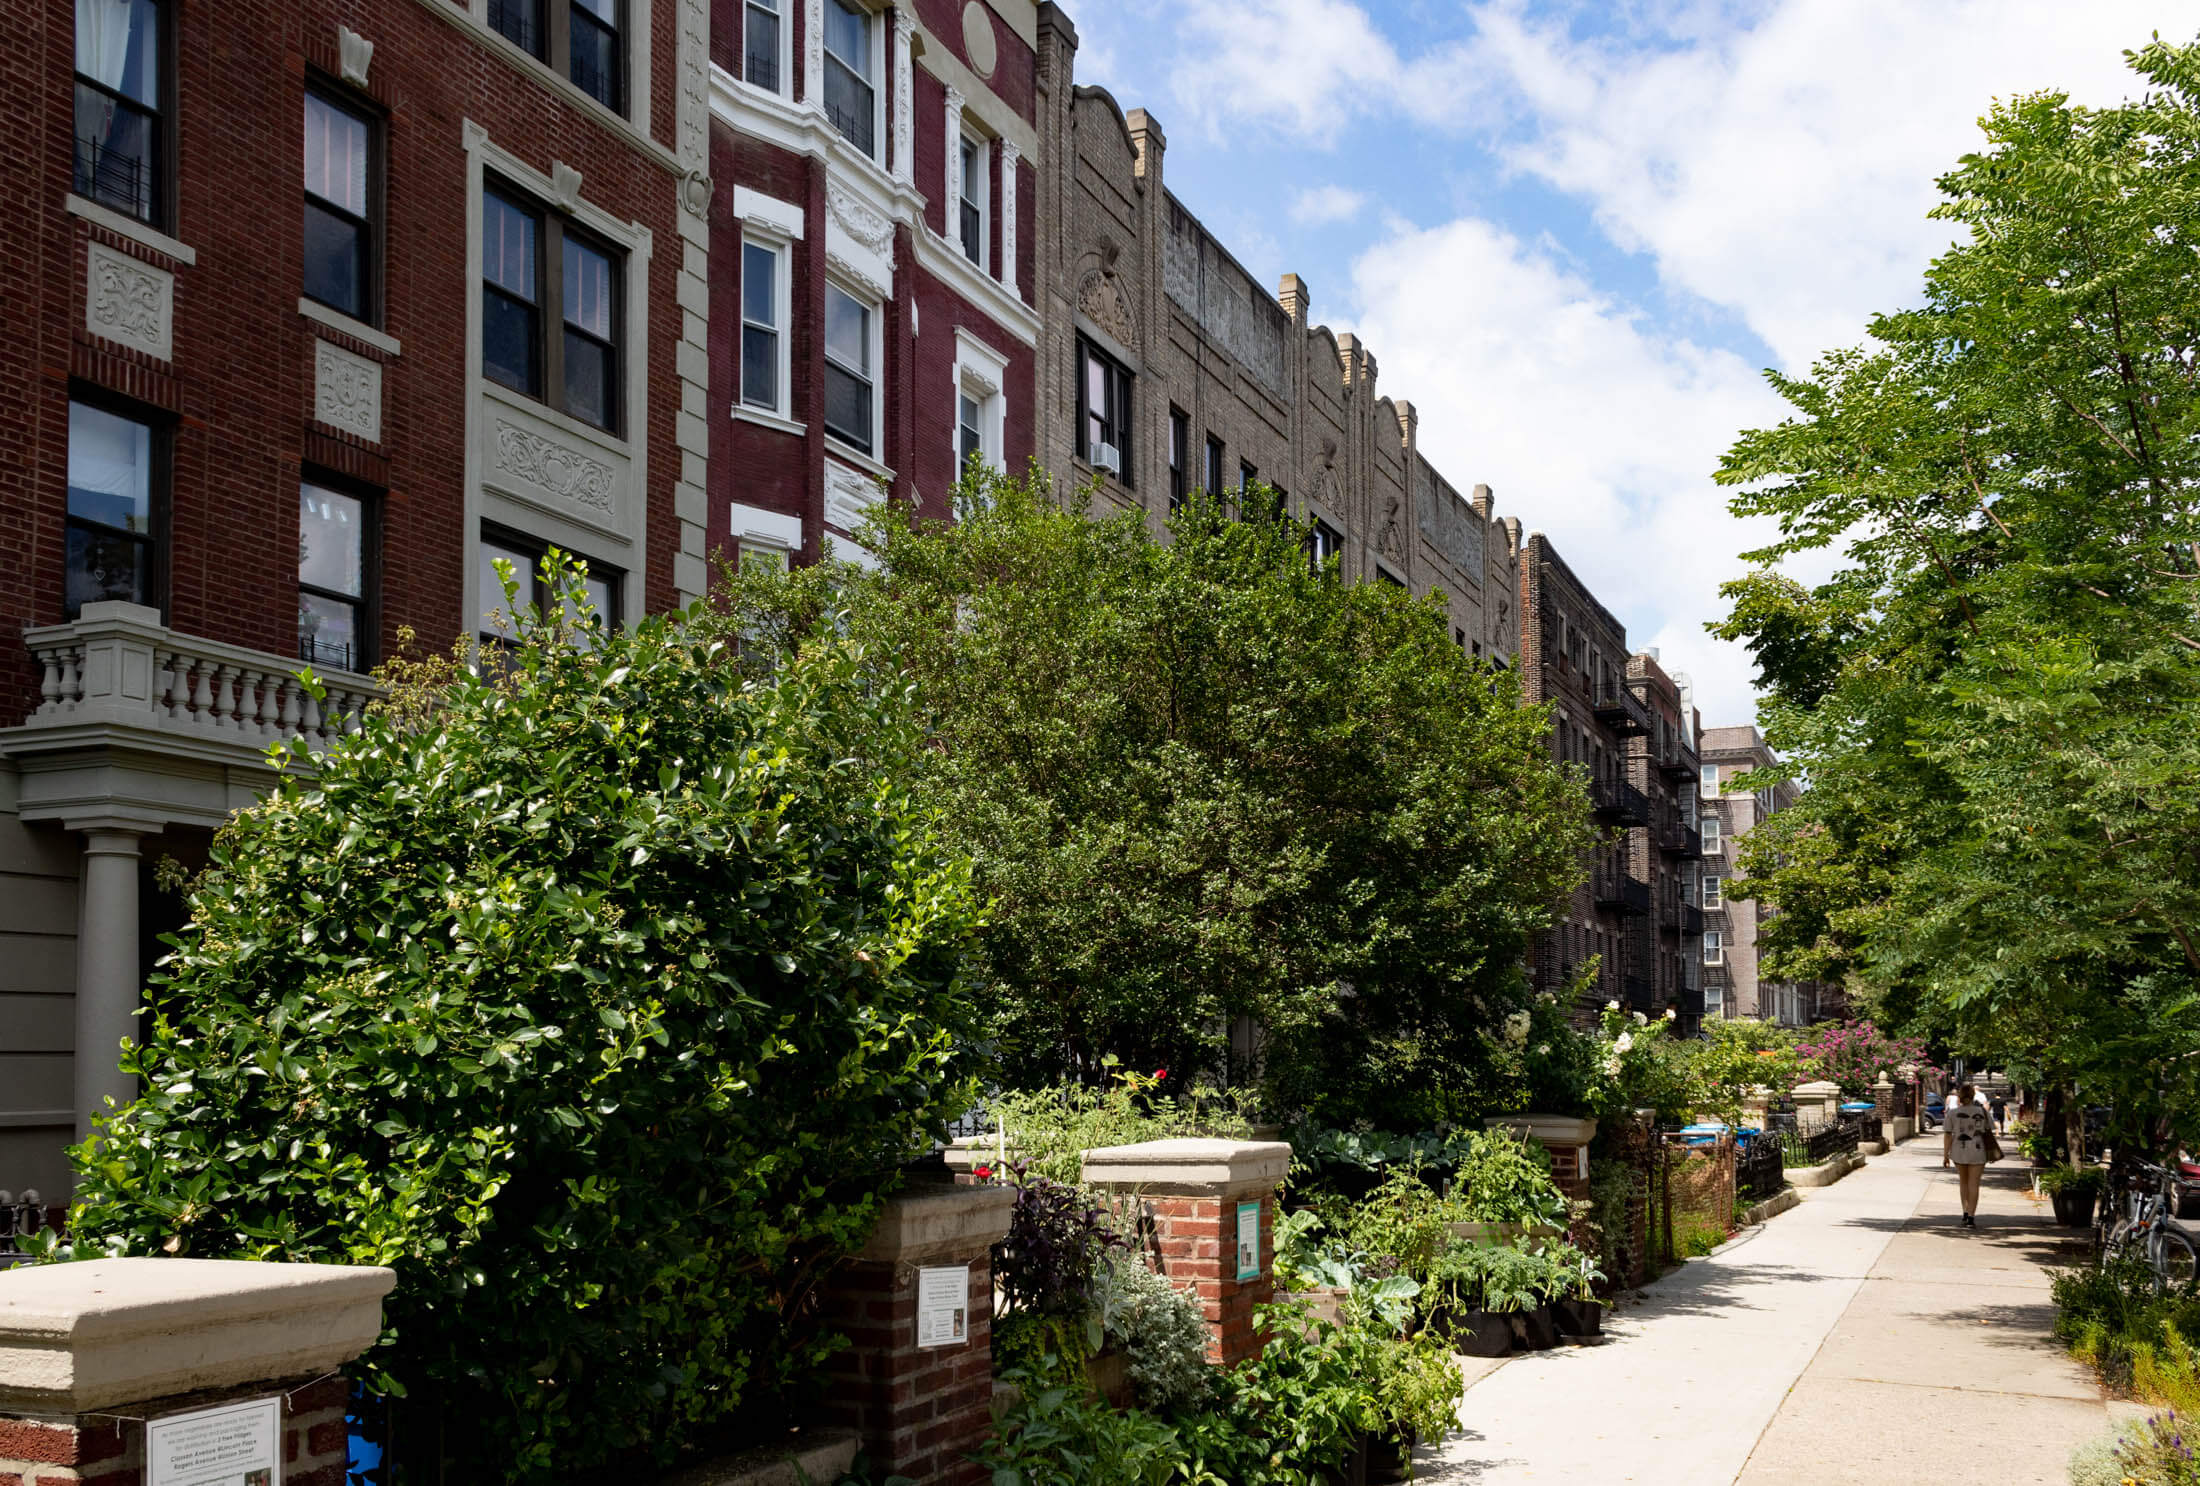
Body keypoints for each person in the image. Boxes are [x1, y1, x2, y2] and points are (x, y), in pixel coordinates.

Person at [1944, 1082, 1996, 1226]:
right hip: (1978, 1150)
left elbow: (1948, 1134)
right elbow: (1989, 1130)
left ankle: (1965, 1212)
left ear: (1959, 1097)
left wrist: (1945, 1155)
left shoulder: (1952, 1113)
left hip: (1958, 1150)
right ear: (1973, 1095)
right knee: (1974, 1184)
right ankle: (1972, 1216)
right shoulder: (1982, 1112)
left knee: (1963, 1182)